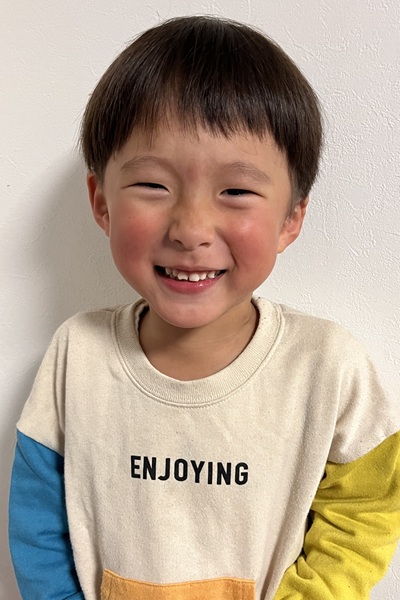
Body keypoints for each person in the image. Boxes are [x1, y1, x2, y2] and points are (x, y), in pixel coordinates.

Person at [8, 15, 400, 600]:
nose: (191, 229)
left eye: (236, 191)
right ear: (102, 202)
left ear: (291, 218)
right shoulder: (76, 354)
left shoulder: (328, 366)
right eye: (153, 185)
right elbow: (37, 525)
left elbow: (365, 511)